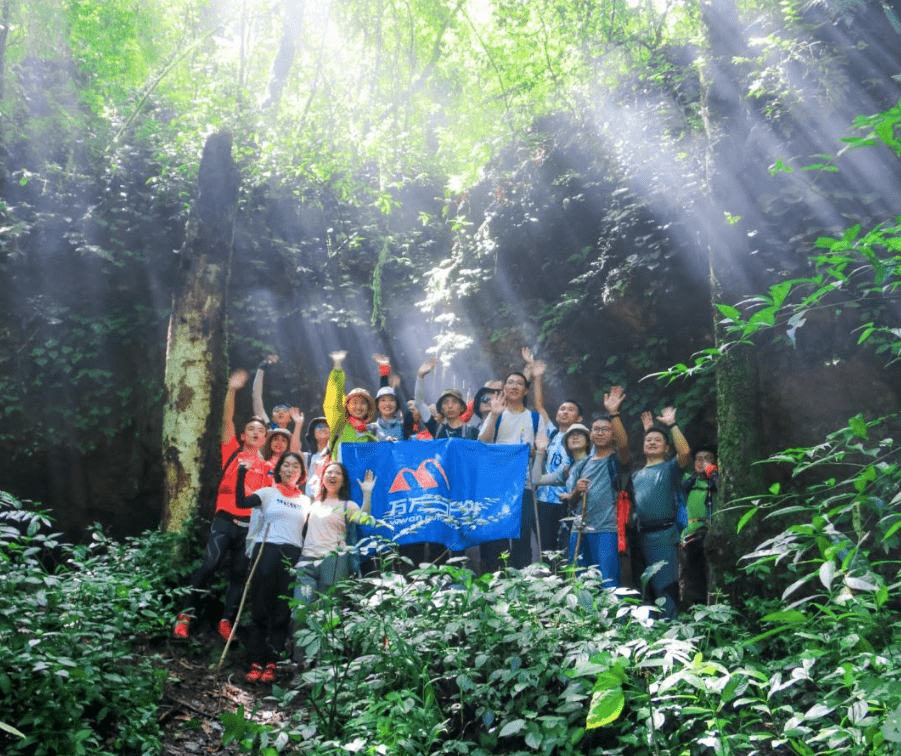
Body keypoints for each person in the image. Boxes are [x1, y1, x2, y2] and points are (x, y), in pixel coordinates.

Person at [172, 370, 271, 641]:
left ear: (265, 439)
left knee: (239, 575)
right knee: (209, 565)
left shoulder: (267, 467)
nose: (255, 433)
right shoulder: (232, 452)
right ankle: (185, 617)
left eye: (260, 431)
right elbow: (227, 419)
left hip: (249, 528)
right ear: (243, 436)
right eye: (250, 429)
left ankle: (226, 622)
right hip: (225, 520)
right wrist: (232, 390)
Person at [534, 388, 629, 586]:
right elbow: (540, 481)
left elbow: (624, 445)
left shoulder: (614, 461)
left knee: (608, 582)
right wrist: (575, 492)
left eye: (605, 429)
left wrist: (614, 413)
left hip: (605, 529)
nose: (600, 433)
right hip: (578, 531)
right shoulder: (577, 466)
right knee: (579, 584)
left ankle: (614, 618)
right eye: (596, 429)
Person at [236, 452, 309, 683]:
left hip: (292, 553)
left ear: (301, 473)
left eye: (295, 466)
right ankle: (255, 661)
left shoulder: (306, 501)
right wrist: (241, 474)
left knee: (282, 611)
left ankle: (272, 663)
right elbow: (241, 502)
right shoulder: (268, 492)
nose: (289, 470)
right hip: (266, 549)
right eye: (285, 465)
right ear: (279, 469)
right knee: (261, 607)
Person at [478, 364, 549, 570]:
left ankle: (522, 577)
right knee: (498, 532)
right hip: (498, 483)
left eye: (520, 383)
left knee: (522, 533)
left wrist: (535, 450)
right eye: (510, 382)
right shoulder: (496, 413)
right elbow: (484, 441)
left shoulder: (534, 418)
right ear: (504, 389)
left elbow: (541, 444)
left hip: (524, 484)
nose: (514, 386)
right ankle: (496, 577)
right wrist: (493, 415)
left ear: (526, 390)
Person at [629, 408, 691, 619]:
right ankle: (650, 634)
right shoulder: (636, 475)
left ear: (666, 448)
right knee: (645, 589)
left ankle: (670, 630)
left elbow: (684, 453)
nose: (652, 442)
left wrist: (671, 424)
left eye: (658, 440)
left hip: (664, 535)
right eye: (648, 440)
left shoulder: (669, 469)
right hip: (639, 537)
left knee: (666, 586)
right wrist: (652, 431)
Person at [294, 462, 375, 610]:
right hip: (306, 561)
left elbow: (364, 519)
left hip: (332, 561)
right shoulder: (313, 503)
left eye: (337, 473)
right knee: (301, 608)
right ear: (323, 478)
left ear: (343, 480)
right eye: (329, 472)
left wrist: (367, 494)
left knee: (330, 610)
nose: (332, 475)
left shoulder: (347, 505)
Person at [535, 399, 585, 554]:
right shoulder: (553, 433)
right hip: (543, 499)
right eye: (562, 408)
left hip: (568, 501)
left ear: (579, 419)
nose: (565, 411)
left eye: (570, 409)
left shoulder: (582, 441)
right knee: (546, 549)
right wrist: (537, 377)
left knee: (566, 548)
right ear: (556, 415)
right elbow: (540, 407)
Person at [681, 445, 718, 607]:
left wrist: (714, 474)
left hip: (710, 535)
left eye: (707, 459)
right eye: (699, 459)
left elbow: (721, 487)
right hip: (689, 535)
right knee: (690, 575)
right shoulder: (688, 480)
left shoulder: (717, 481)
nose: (702, 462)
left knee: (709, 574)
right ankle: (692, 607)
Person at [323, 350, 377, 460]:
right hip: (338, 475)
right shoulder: (339, 424)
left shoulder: (372, 434)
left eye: (362, 403)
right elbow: (334, 400)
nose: (358, 407)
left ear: (368, 408)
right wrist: (337, 368)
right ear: (347, 406)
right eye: (354, 402)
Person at [413, 358, 479, 440]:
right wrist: (420, 376)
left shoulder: (472, 431)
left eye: (455, 402)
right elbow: (419, 404)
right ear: (441, 409)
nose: (450, 406)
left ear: (462, 407)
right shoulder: (437, 429)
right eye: (445, 402)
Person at [252, 354, 303, 451]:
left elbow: (296, 452)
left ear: (290, 419)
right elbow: (256, 397)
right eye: (277, 410)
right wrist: (261, 368)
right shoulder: (266, 428)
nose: (280, 412)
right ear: (271, 417)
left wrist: (298, 424)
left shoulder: (292, 437)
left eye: (284, 411)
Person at [304, 416, 330, 499]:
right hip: (310, 501)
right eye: (319, 427)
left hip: (330, 501)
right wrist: (298, 424)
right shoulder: (307, 457)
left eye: (327, 426)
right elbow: (294, 450)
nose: (323, 429)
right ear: (313, 433)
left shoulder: (336, 455)